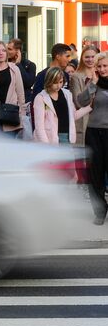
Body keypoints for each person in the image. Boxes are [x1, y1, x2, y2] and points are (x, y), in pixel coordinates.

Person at [77, 52, 108, 225]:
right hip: (94, 133)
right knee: (95, 174)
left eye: (105, 66)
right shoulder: (93, 84)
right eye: (100, 66)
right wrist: (93, 84)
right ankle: (99, 212)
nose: (102, 69)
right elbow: (80, 102)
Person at [33, 67, 91, 145]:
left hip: (67, 137)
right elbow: (39, 127)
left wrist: (90, 106)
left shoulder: (67, 94)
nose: (58, 85)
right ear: (49, 81)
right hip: (49, 139)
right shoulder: (40, 98)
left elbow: (73, 115)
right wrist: (46, 146)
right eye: (55, 82)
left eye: (61, 82)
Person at [0, 41, 25, 137]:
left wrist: (22, 115)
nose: (1, 53)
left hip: (10, 115)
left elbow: (20, 94)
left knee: (10, 147)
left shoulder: (14, 69)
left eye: (4, 50)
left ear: (7, 54)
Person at [70, 45, 99, 152]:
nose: (90, 60)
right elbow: (78, 102)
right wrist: (92, 83)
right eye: (87, 57)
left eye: (93, 57)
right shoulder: (76, 76)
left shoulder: (103, 73)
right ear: (82, 57)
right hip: (84, 123)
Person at [7, 38, 37, 104]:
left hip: (23, 102)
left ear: (18, 51)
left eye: (10, 49)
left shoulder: (30, 65)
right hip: (8, 102)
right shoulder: (4, 64)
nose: (6, 51)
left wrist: (18, 65)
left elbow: (28, 83)